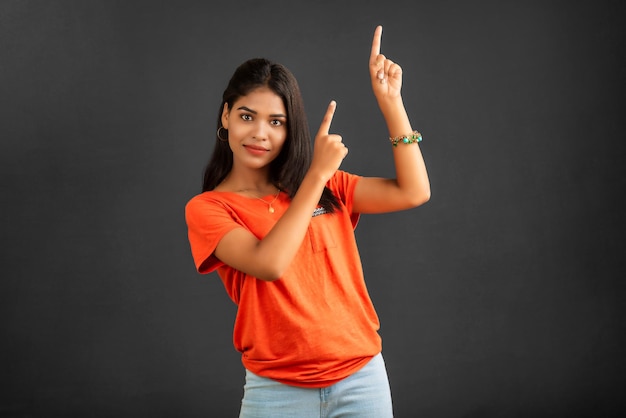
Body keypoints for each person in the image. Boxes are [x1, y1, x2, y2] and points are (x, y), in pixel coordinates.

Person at [185, 25, 430, 417]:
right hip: (275, 391)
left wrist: (391, 104)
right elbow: (269, 264)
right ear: (226, 115)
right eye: (247, 116)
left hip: (361, 381)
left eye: (276, 122)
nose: (260, 134)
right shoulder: (209, 208)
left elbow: (413, 191)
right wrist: (315, 176)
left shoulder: (328, 184)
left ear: (289, 128)